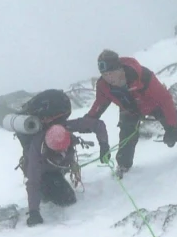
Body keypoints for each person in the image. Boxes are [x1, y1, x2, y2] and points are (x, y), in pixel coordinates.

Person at [82, 50, 177, 177]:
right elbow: (100, 103)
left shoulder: (142, 76)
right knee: (126, 135)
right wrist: (89, 119)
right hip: (129, 109)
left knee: (176, 125)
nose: (108, 78)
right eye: (105, 75)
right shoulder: (104, 86)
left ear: (119, 69)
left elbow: (165, 99)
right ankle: (123, 165)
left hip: (154, 104)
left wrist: (171, 128)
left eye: (111, 73)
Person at [16, 89, 109, 226]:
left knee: (64, 192)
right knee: (67, 199)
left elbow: (97, 124)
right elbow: (33, 181)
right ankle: (46, 192)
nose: (63, 151)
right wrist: (34, 212)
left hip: (58, 166)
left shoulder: (66, 126)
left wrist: (104, 145)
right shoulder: (37, 148)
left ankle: (54, 182)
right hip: (45, 173)